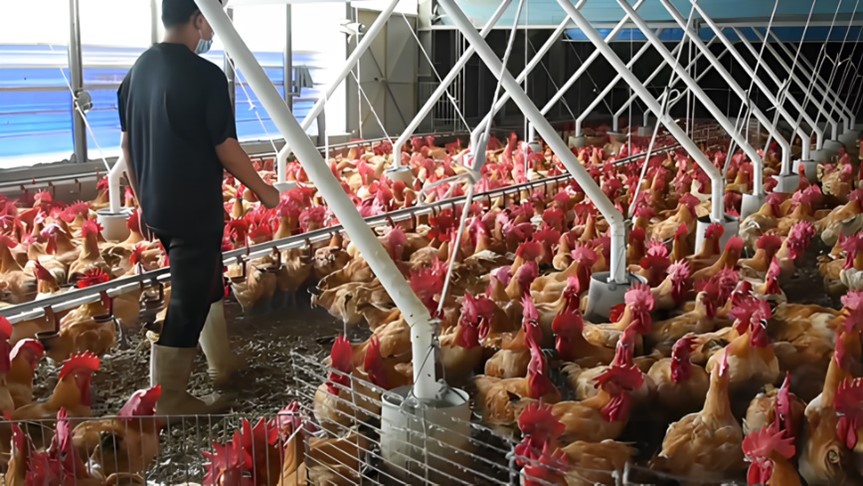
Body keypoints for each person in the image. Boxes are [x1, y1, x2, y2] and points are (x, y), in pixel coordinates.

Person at [117, 0, 280, 415]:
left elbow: (126, 147)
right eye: (214, 15)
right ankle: (167, 399)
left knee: (204, 282)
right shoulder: (205, 76)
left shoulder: (135, 73)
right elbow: (225, 148)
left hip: (159, 208)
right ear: (198, 18)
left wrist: (143, 199)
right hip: (193, 209)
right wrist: (264, 190)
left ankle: (219, 363)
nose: (214, 26)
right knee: (186, 302)